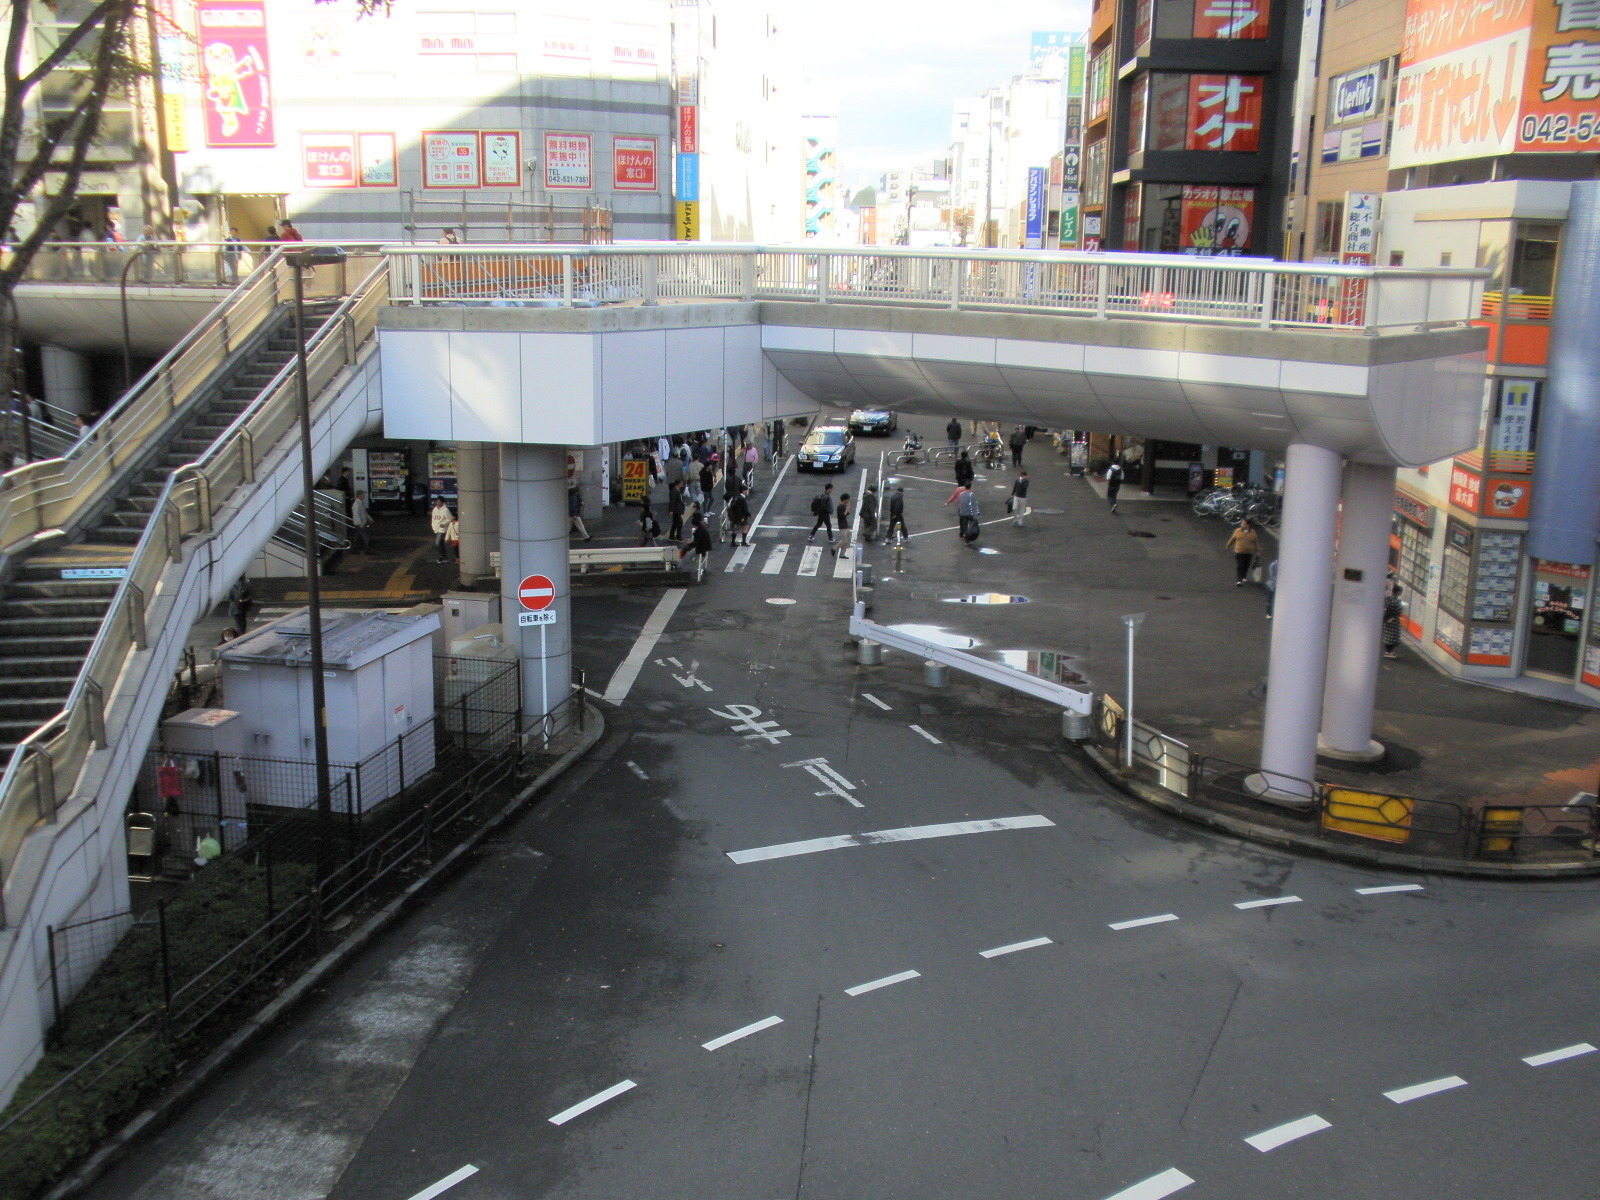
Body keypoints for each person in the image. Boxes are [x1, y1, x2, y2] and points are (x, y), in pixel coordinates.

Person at [1226, 519, 1260, 585]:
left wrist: (1257, 551)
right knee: (1240, 565)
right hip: (1239, 552)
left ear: (1248, 525)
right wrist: (1228, 545)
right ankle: (1239, 580)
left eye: (1243, 523)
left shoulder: (1253, 532)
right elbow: (1232, 539)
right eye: (1241, 523)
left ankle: (1244, 577)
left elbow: (1255, 542)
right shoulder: (1237, 531)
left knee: (1246, 565)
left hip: (1249, 553)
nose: (1241, 525)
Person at [1383, 584, 1404, 657]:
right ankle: (1389, 652)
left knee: (1387, 636)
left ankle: (1387, 652)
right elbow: (1399, 611)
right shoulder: (1397, 601)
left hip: (1386, 619)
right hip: (1393, 621)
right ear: (1398, 592)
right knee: (1393, 637)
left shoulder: (1389, 598)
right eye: (1401, 592)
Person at [430, 495, 452, 562]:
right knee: (441, 543)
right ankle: (445, 557)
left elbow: (450, 519)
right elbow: (433, 518)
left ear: (442, 502)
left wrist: (444, 524)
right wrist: (433, 526)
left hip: (442, 529)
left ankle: (442, 557)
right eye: (437, 501)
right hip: (436, 528)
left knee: (438, 543)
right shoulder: (435, 509)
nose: (437, 503)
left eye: (439, 502)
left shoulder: (445, 510)